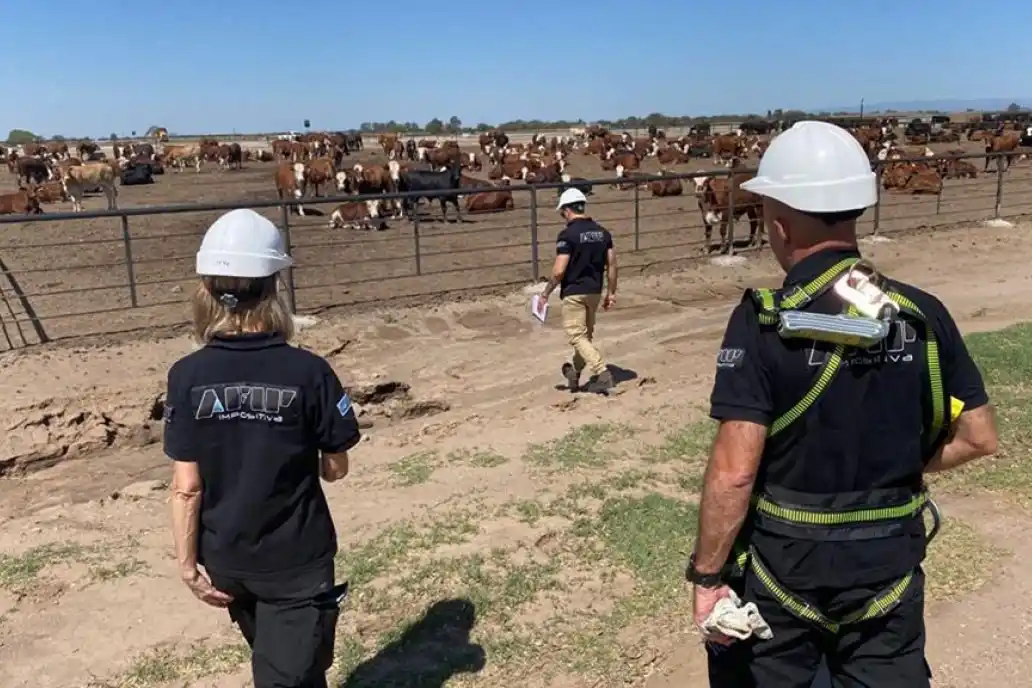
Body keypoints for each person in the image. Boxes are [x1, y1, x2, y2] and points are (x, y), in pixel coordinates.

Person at [685, 121, 999, 687]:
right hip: (888, 572)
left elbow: (735, 473)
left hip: (787, 572)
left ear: (779, 224)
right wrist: (899, 463)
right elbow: (980, 436)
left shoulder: (762, 321)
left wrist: (707, 577)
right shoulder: (922, 314)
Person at [165, 208, 361, 688]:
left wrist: (188, 566)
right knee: (285, 673)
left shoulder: (186, 377)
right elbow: (336, 467)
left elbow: (186, 488)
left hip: (226, 559)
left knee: (290, 665)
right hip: (295, 559)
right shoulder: (309, 372)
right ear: (275, 288)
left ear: (206, 290)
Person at [538, 187, 617, 394]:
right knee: (585, 337)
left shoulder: (567, 235)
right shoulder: (603, 233)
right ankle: (574, 372)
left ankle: (602, 372)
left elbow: (558, 271)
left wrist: (545, 293)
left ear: (566, 210)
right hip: (595, 291)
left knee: (576, 336)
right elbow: (612, 266)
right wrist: (611, 293)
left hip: (574, 292)